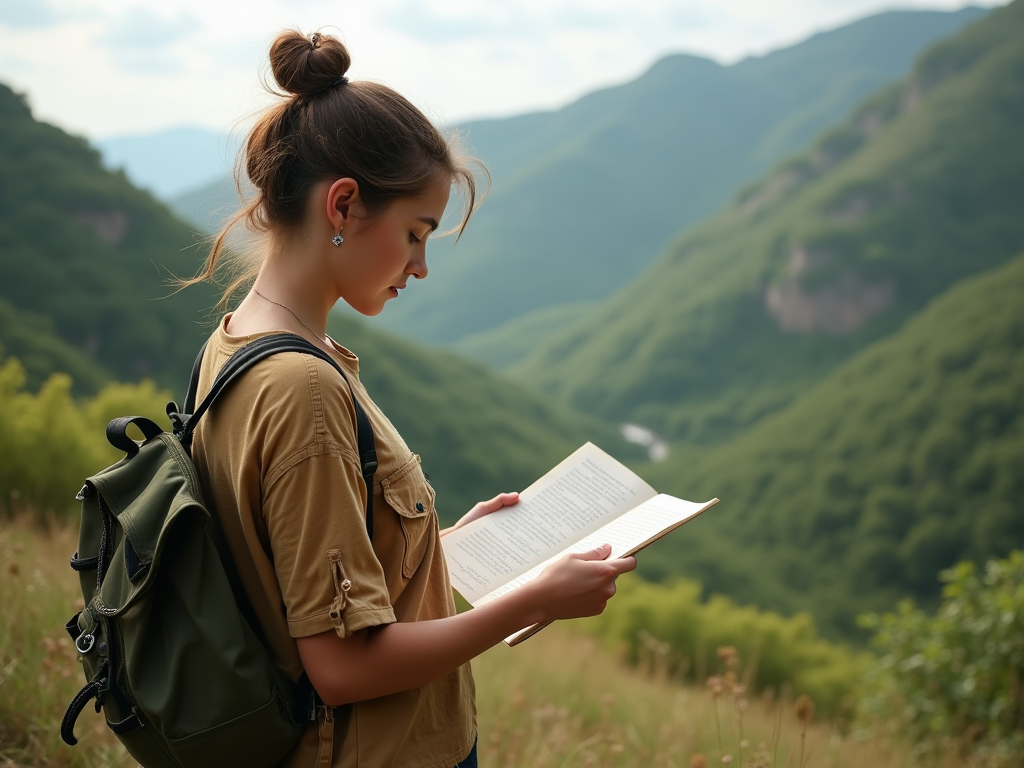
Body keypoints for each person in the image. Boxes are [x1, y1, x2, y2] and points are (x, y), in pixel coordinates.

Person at [184, 29, 636, 768]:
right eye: (416, 233)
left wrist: (440, 546)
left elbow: (292, 564)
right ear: (344, 205)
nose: (421, 266)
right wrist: (532, 600)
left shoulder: (238, 342)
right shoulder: (301, 387)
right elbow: (341, 666)